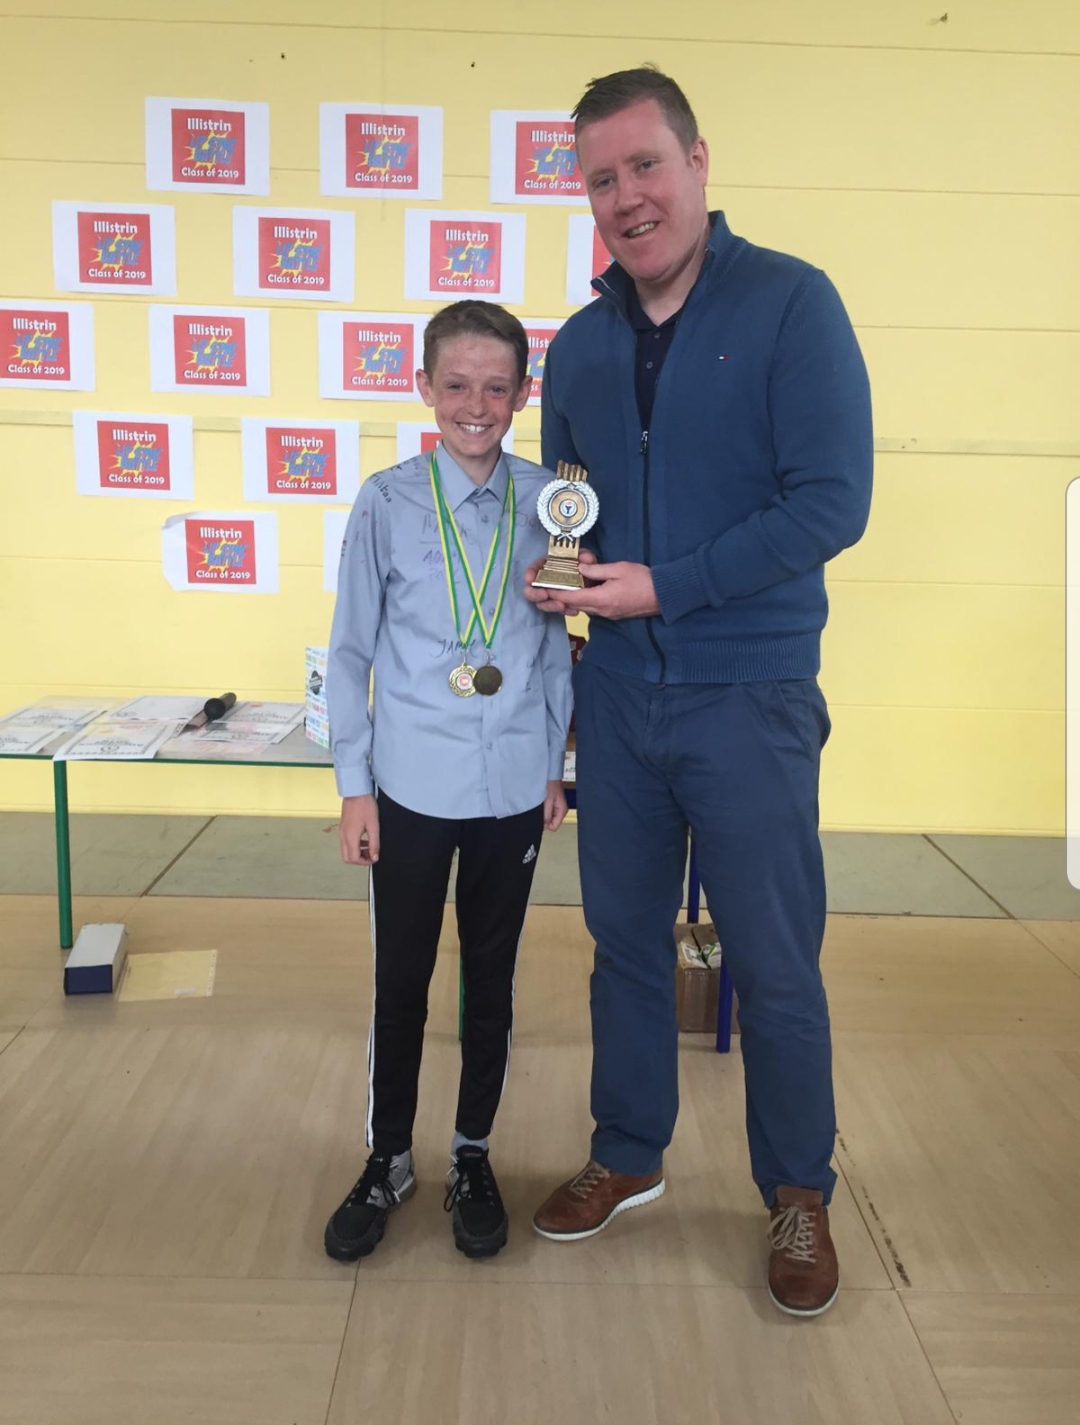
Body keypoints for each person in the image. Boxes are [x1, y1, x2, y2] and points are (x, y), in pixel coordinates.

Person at [526, 67, 873, 1317]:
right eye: (600, 179)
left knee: (772, 962)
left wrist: (666, 588)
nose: (626, 197)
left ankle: (798, 1191)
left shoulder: (791, 303)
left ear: (698, 162)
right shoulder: (579, 346)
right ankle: (629, 1151)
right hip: (618, 698)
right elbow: (568, 509)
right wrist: (560, 590)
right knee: (622, 944)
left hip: (750, 695)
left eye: (645, 166)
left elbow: (832, 503)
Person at [325, 300, 572, 1262]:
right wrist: (355, 786)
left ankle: (472, 1152)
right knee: (401, 980)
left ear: (522, 393)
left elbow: (553, 648)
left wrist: (553, 767)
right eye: (458, 384)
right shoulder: (386, 502)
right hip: (410, 789)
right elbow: (351, 652)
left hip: (510, 786)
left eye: (497, 387)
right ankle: (388, 1156)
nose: (477, 404)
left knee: (491, 984)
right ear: (423, 385)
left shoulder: (552, 502)